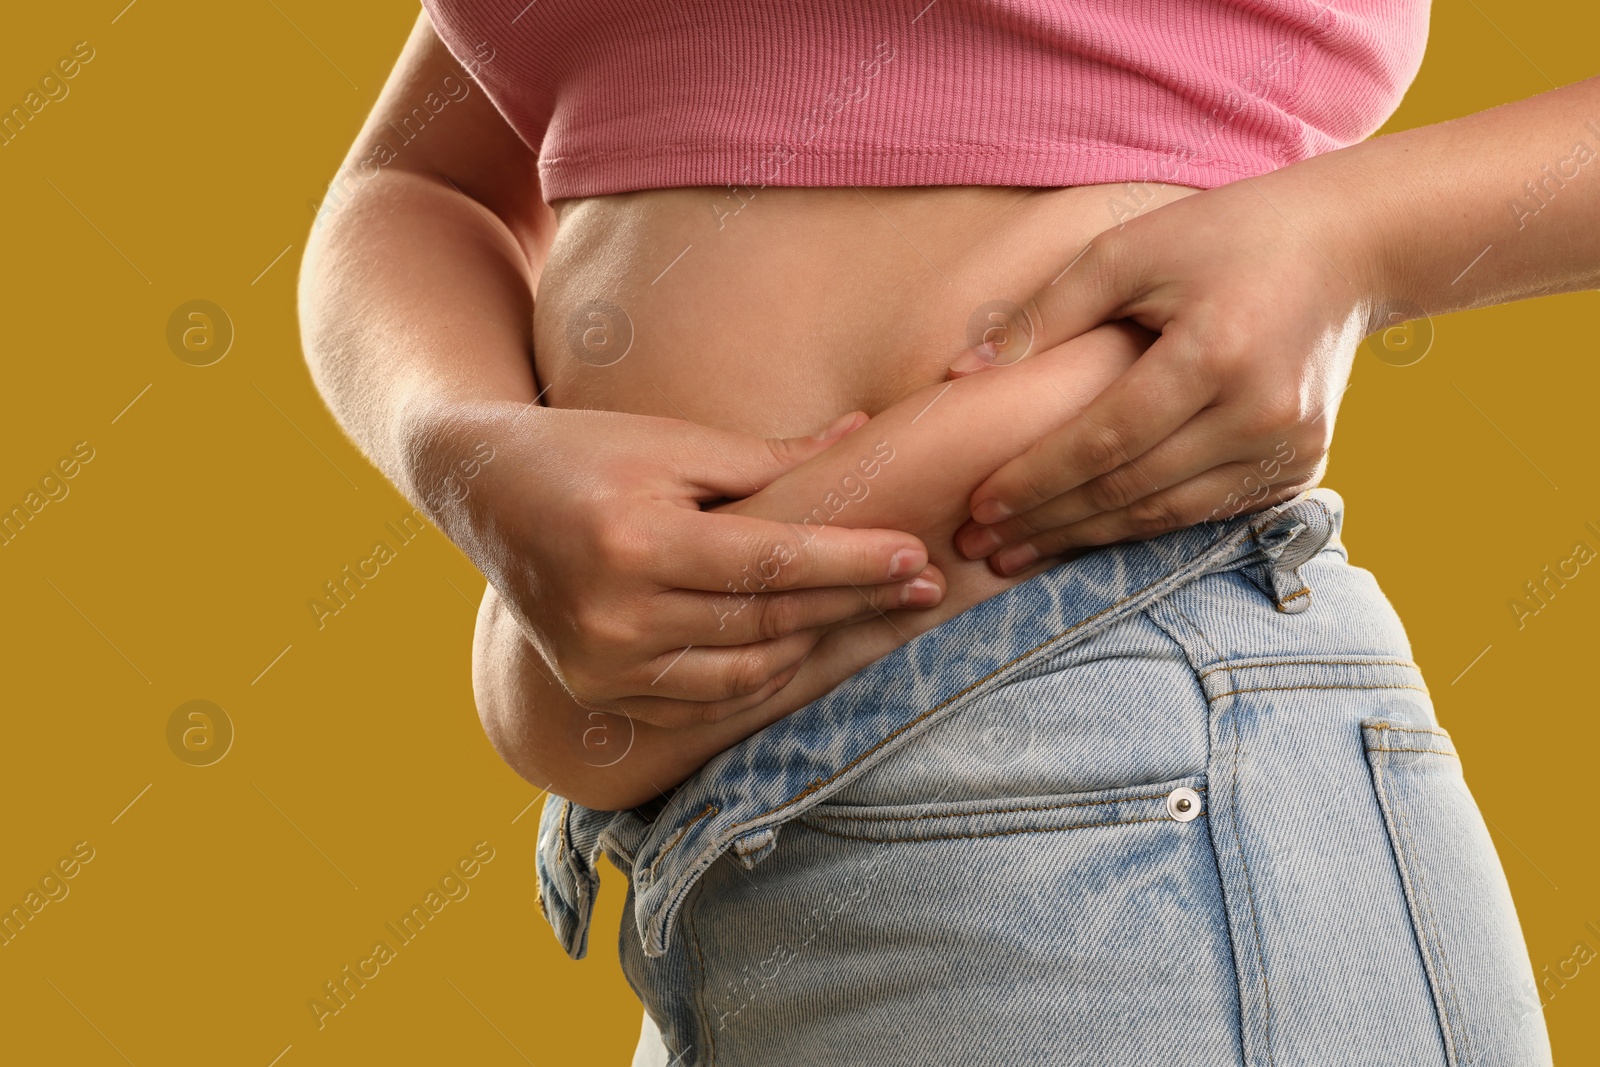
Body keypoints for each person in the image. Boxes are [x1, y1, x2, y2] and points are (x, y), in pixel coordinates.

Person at [299, 2, 1597, 1062]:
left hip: (1112, 769)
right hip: (709, 881)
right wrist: (462, 446)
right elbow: (417, 182)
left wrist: (1358, 237)